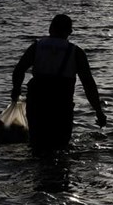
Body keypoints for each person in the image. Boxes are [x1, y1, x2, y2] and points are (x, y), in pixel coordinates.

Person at [11, 14, 106, 152]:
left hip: (37, 105)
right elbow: (88, 83)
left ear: (50, 28)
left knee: (37, 145)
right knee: (61, 148)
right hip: (61, 107)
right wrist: (98, 111)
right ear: (70, 32)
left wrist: (16, 90)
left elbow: (19, 70)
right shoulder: (76, 52)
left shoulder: (37, 47)